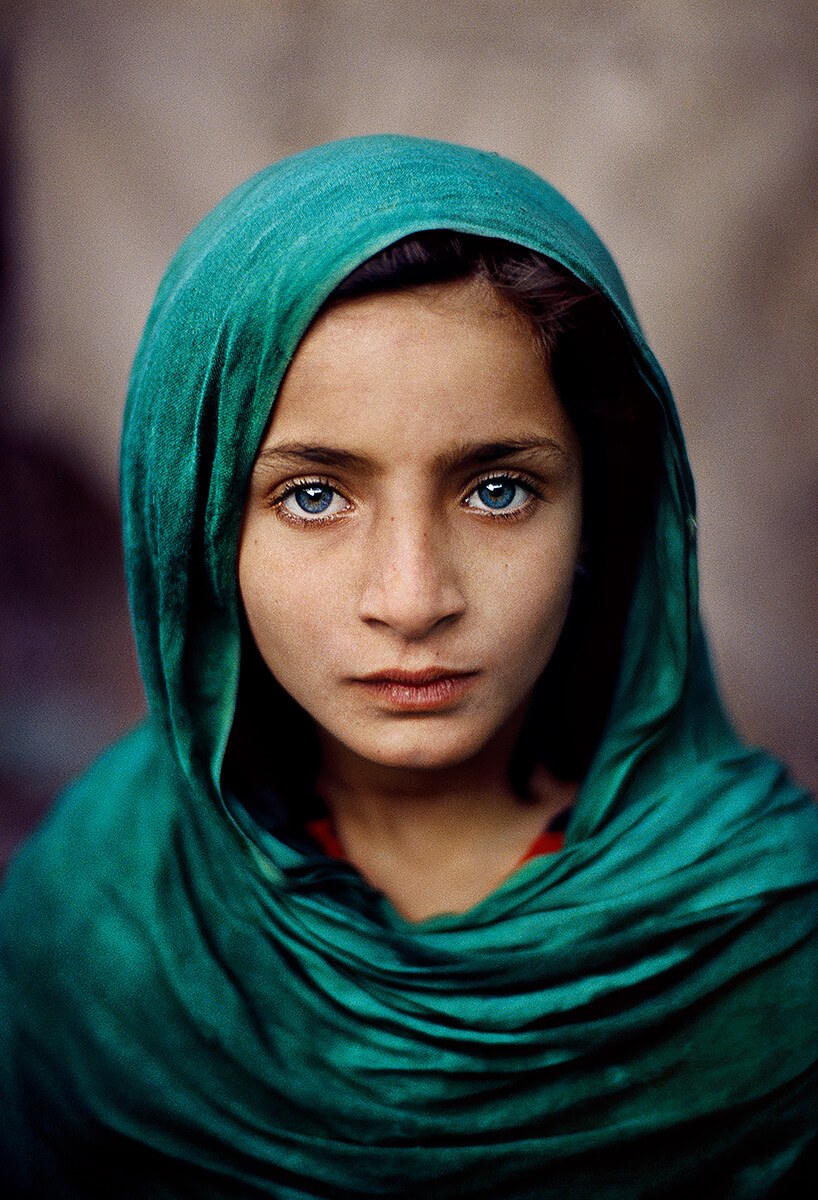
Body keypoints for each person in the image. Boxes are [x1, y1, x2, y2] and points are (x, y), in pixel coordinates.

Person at [0, 135, 816, 1198]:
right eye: (310, 496)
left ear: (599, 517)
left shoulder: (765, 946)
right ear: (196, 528)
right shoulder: (95, 919)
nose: (413, 598)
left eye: (495, 490)